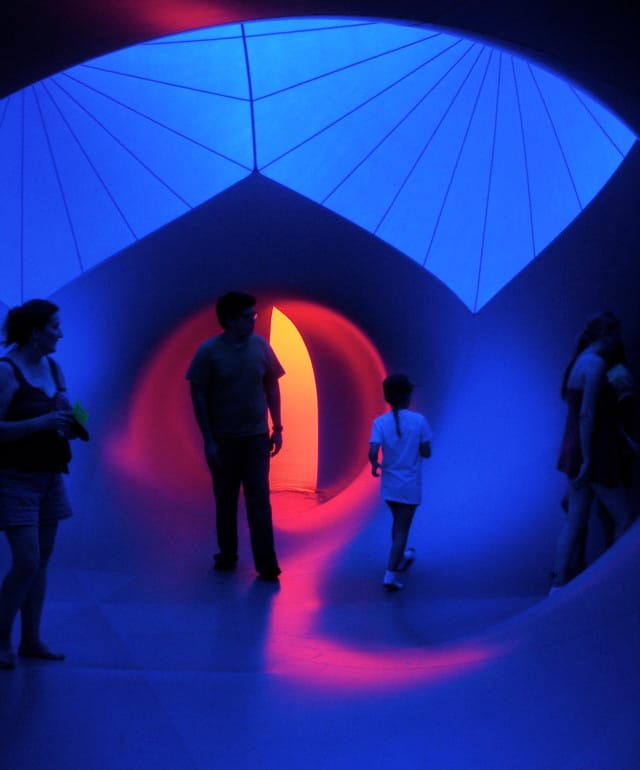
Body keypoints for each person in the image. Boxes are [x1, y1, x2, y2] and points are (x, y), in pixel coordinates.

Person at [0, 300, 87, 669]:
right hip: (14, 478)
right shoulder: (6, 371)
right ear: (35, 332)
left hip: (51, 475)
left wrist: (71, 421)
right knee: (27, 561)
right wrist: (41, 423)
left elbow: (61, 411)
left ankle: (31, 639)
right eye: (54, 327)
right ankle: (2, 639)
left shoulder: (52, 366)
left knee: (41, 562)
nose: (60, 333)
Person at [186, 291, 285, 581]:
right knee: (226, 499)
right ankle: (227, 554)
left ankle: (266, 562)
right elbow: (198, 395)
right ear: (229, 319)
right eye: (247, 316)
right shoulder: (209, 352)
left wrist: (277, 428)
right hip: (225, 439)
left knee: (259, 499)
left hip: (256, 437)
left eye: (254, 315)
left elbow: (272, 387)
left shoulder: (261, 347)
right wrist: (209, 439)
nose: (253, 320)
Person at [551, 311, 633, 592]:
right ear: (606, 335)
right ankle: (612, 583)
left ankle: (558, 585)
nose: (617, 341)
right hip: (593, 451)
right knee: (623, 517)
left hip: (574, 448)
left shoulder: (578, 363)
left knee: (574, 520)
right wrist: (588, 459)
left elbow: (583, 413)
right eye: (616, 335)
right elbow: (588, 415)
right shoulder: (596, 365)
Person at [369, 374, 432, 591]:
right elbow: (426, 452)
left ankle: (402, 553)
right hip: (409, 485)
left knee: (398, 526)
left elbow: (373, 450)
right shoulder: (419, 421)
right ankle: (390, 575)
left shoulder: (379, 422)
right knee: (402, 531)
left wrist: (375, 465)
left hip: (389, 485)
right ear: (407, 396)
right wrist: (417, 446)